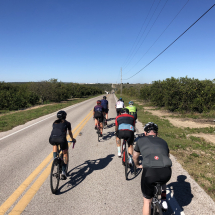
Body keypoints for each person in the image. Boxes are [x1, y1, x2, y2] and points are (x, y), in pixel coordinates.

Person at [133, 122, 172, 215]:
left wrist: (138, 165)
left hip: (150, 173)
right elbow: (167, 156)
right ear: (157, 133)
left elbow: (135, 156)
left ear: (145, 133)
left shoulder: (140, 140)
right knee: (163, 176)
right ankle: (163, 199)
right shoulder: (163, 141)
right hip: (166, 172)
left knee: (147, 201)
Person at [49, 110, 76, 180]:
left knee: (55, 144)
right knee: (65, 153)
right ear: (65, 116)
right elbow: (69, 133)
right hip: (62, 140)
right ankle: (63, 172)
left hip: (52, 139)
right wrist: (72, 139)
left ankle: (55, 158)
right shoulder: (67, 123)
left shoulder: (54, 123)